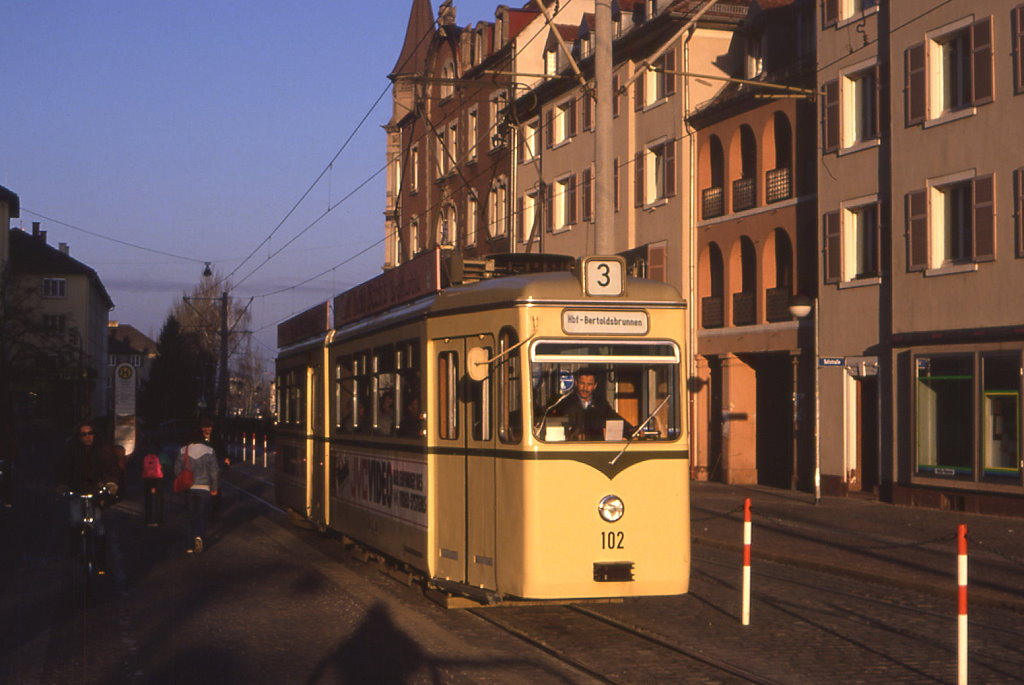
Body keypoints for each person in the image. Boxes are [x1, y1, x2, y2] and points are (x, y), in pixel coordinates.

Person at [55, 420, 121, 573]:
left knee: (98, 527)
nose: (88, 437)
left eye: (90, 433)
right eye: (84, 434)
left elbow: (111, 469)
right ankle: (75, 553)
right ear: (78, 437)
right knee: (75, 520)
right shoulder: (71, 452)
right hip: (77, 491)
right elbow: (63, 470)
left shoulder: (103, 451)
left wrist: (111, 483)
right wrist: (62, 485)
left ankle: (101, 561)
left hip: (95, 493)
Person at [176, 417, 221, 554]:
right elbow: (215, 471)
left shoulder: (183, 450)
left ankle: (192, 539)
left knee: (191, 514)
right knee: (202, 514)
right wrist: (214, 488)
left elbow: (176, 469)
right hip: (204, 488)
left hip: (189, 488)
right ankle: (199, 536)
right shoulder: (209, 451)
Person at [549, 368, 631, 441]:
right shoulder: (565, 403)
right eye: (582, 383)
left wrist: (632, 430)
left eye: (589, 385)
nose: (585, 388)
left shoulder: (601, 404)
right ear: (576, 383)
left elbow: (614, 418)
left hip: (595, 448)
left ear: (595, 386)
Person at [141, 449, 165, 526]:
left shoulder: (144, 455)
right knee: (158, 500)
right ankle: (159, 519)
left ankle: (148, 519)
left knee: (148, 498)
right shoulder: (161, 454)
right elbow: (166, 465)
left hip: (147, 479)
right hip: (157, 479)